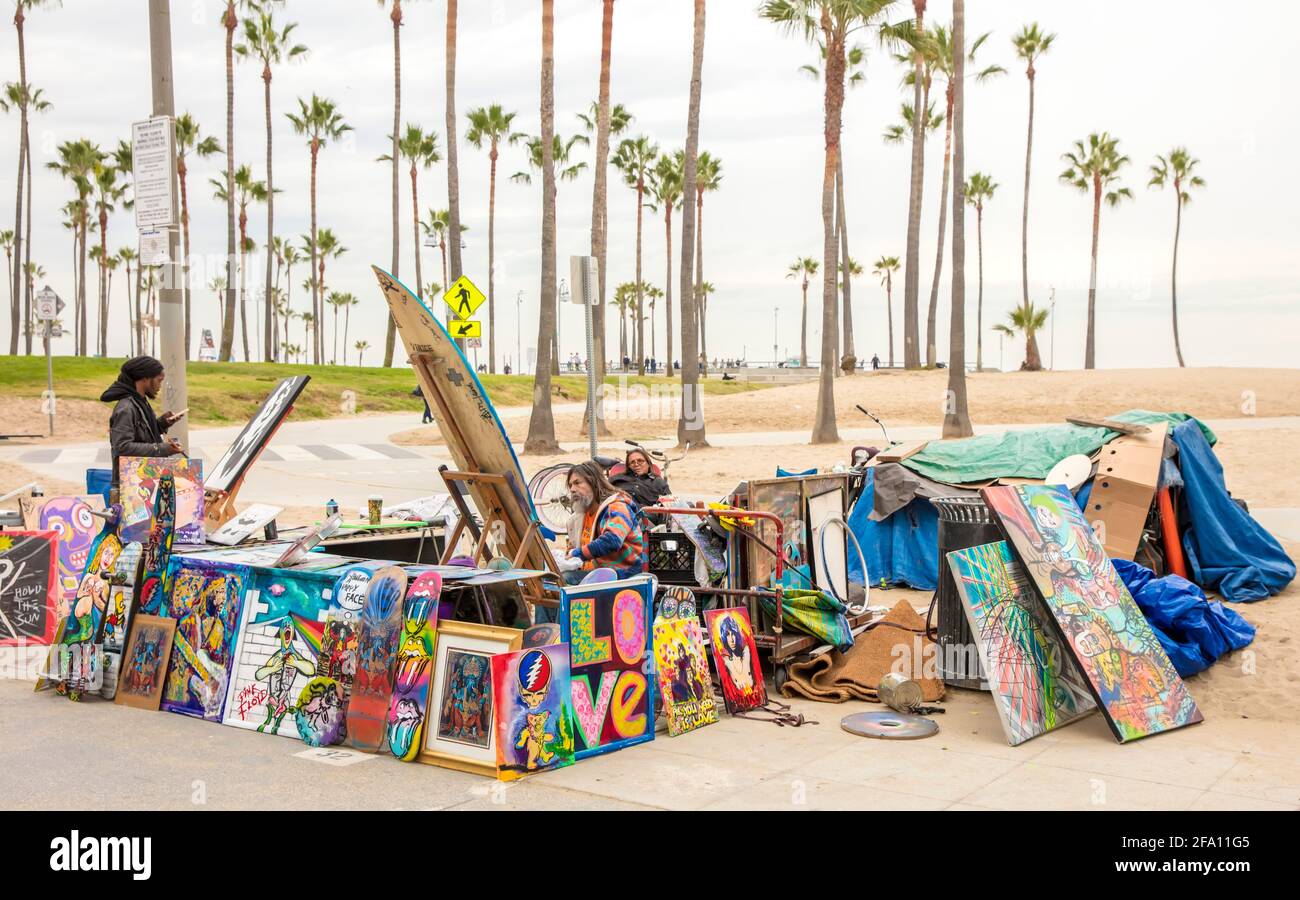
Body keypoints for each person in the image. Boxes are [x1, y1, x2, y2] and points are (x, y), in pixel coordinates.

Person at [541, 463, 646, 624]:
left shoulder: (617, 507)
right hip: (591, 574)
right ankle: (545, 637)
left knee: (566, 580)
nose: (573, 489)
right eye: (570, 485)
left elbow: (612, 540)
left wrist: (577, 554)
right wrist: (565, 557)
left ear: (594, 482)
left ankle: (562, 639)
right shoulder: (578, 518)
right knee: (548, 582)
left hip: (622, 573)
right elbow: (574, 551)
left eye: (577, 483)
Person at [99, 355, 184, 494]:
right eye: (158, 380)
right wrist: (162, 449)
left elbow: (142, 435)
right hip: (131, 488)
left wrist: (161, 424)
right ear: (145, 379)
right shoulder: (126, 408)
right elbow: (122, 447)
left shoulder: (140, 402)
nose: (159, 386)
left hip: (142, 481)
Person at [610, 448, 670, 512]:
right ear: (628, 466)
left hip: (646, 516)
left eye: (640, 461)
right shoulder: (617, 478)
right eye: (632, 462)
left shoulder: (658, 482)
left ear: (648, 464)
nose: (636, 464)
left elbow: (670, 504)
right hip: (617, 511)